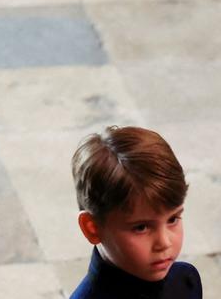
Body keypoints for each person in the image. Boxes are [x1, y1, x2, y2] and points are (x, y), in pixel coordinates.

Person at [70, 126, 202, 299]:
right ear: (92, 228)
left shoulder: (184, 282)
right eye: (141, 227)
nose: (164, 242)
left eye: (172, 219)